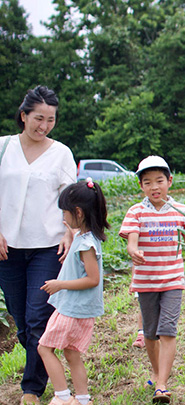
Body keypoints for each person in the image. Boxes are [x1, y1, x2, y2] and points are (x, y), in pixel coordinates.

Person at [0, 86, 76, 405]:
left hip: (47, 246)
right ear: (24, 116)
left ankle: (32, 387)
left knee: (37, 318)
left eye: (50, 119)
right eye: (38, 118)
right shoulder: (3, 148)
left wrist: (70, 231)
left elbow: (72, 199)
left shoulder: (61, 153)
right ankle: (39, 359)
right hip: (7, 248)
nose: (43, 125)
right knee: (20, 317)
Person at [119, 155, 185, 404]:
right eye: (147, 182)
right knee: (150, 334)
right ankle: (157, 372)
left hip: (173, 281)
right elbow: (132, 240)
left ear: (169, 181)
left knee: (167, 330)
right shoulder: (135, 212)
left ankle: (161, 384)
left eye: (159, 180)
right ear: (141, 186)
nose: (154, 187)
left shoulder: (182, 211)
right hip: (146, 282)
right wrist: (133, 251)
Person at [37, 180, 110, 405]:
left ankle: (61, 396)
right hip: (77, 308)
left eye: (65, 212)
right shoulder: (86, 237)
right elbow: (76, 229)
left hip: (72, 309)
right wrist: (71, 230)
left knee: (44, 348)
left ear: (78, 212)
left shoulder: (85, 244)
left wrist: (60, 284)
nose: (63, 218)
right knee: (71, 353)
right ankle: (82, 399)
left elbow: (92, 279)